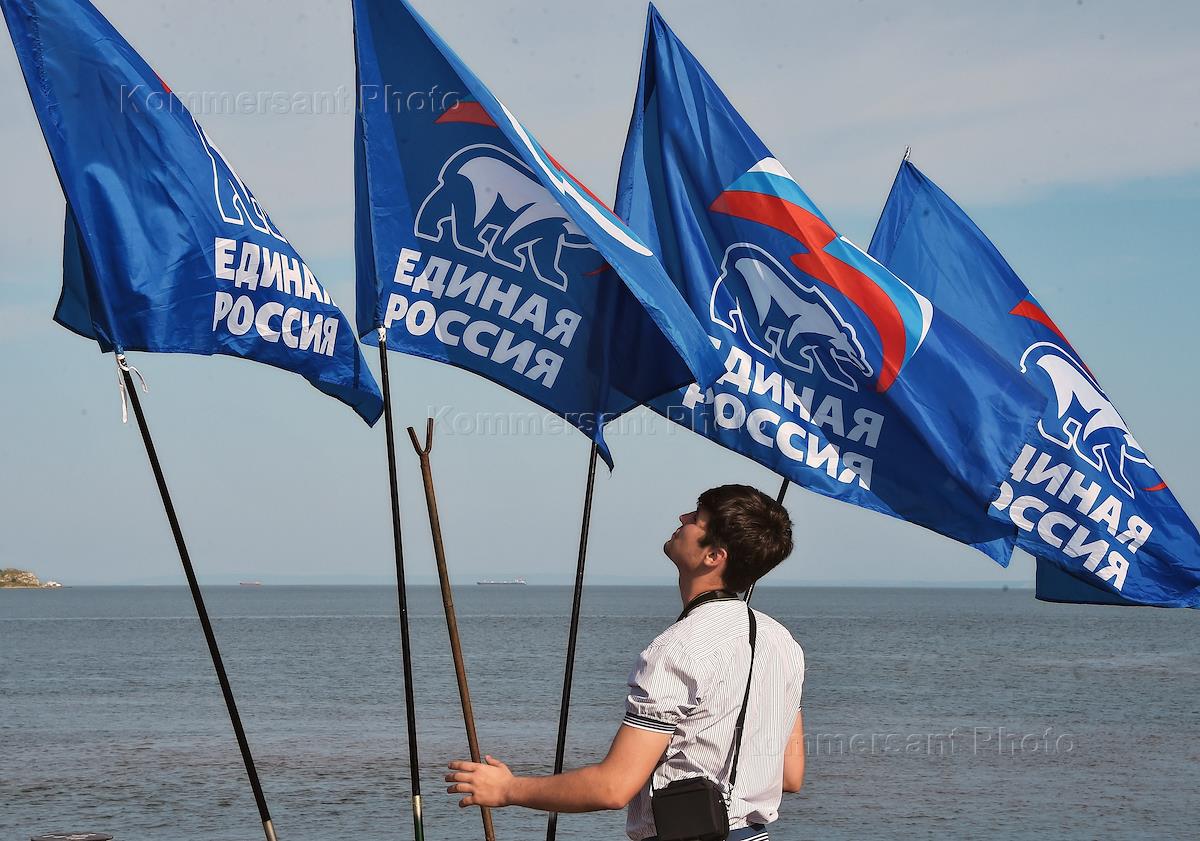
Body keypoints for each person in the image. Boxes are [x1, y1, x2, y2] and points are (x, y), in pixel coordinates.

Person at [446, 484, 807, 841]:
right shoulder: (782, 642)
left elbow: (613, 787)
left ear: (713, 555)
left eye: (696, 518)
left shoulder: (679, 648)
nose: (682, 518)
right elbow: (790, 776)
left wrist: (507, 789)